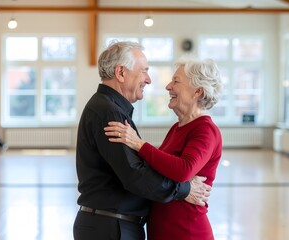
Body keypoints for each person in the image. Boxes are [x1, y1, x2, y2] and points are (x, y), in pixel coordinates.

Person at [73, 41, 211, 240]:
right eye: (144, 71)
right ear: (120, 72)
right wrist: (184, 189)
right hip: (112, 228)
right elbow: (135, 174)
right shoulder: (109, 112)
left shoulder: (109, 108)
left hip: (112, 225)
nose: (148, 80)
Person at [104, 56, 223, 240]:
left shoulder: (205, 130)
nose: (168, 86)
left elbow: (183, 170)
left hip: (187, 231)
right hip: (162, 230)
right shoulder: (177, 128)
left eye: (176, 81)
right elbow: (160, 168)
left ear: (197, 91)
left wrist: (138, 144)